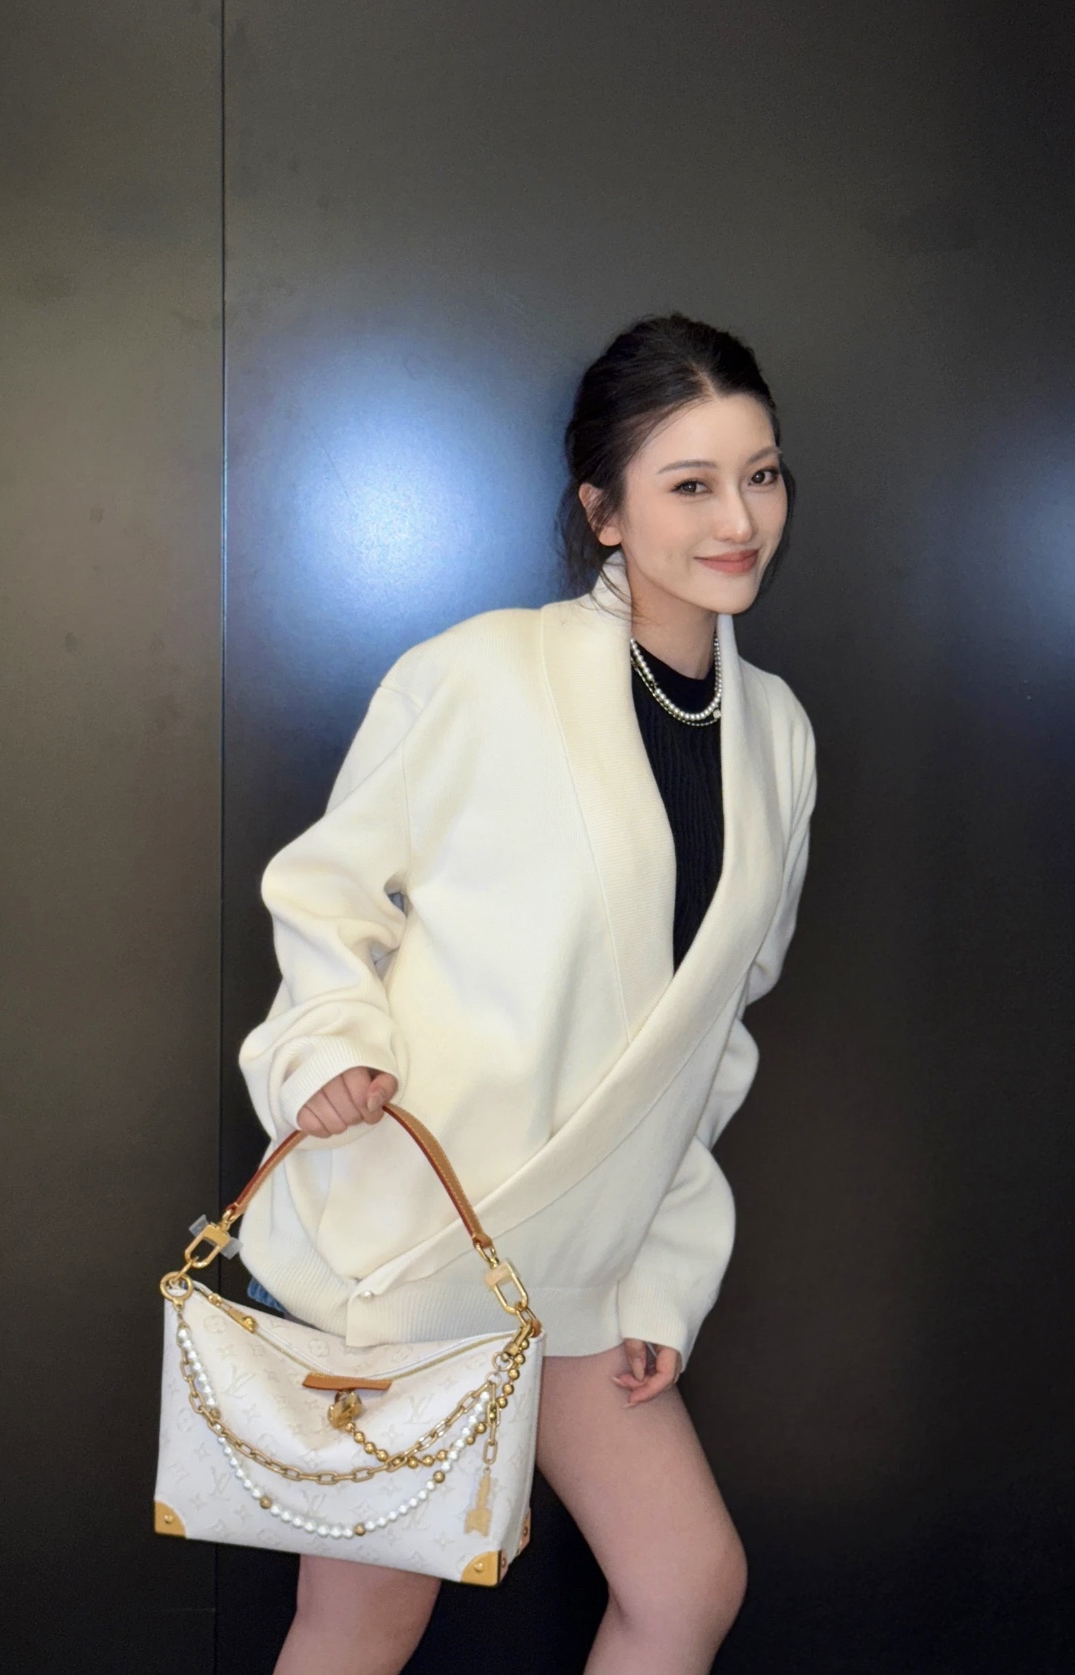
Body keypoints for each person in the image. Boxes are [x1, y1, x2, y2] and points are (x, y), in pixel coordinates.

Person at [236, 311, 817, 1675]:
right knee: (369, 1617)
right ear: (605, 511)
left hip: (586, 1257)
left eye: (762, 474)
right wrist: (326, 1048)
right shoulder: (482, 675)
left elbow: (711, 1039)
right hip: (417, 1241)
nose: (739, 520)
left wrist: (663, 1273)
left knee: (685, 1584)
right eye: (691, 484)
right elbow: (326, 893)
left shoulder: (779, 736)